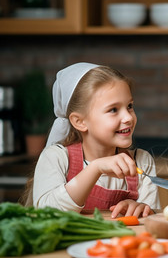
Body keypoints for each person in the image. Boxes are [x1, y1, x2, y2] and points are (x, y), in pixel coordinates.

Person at [28, 62, 159, 218]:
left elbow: (153, 218)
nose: (128, 117)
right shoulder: (56, 157)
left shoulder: (142, 161)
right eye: (113, 110)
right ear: (80, 122)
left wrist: (140, 208)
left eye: (129, 106)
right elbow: (46, 213)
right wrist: (95, 168)